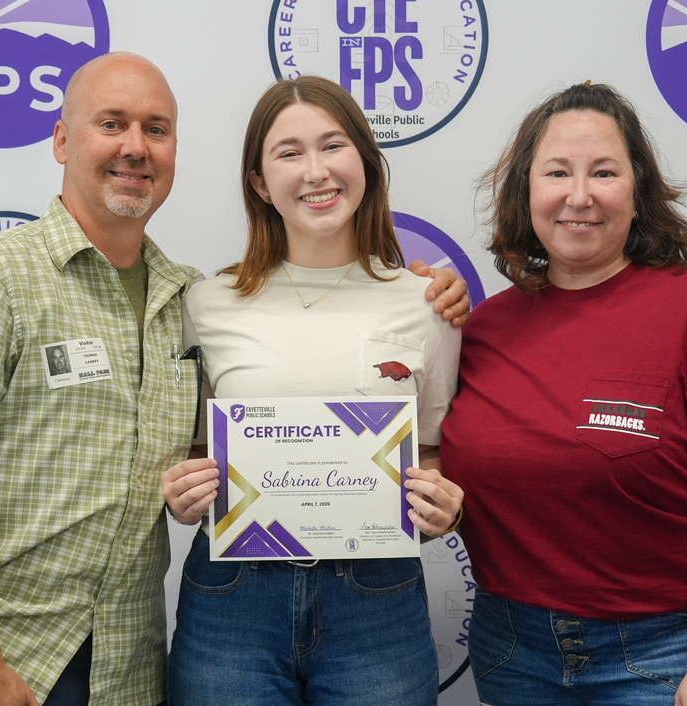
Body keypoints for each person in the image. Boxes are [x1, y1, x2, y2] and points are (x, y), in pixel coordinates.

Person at [0, 53, 470, 706]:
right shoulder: (3, 276)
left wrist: (189, 492)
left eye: (156, 129)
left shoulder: (180, 295)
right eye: (112, 123)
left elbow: (196, 457)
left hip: (129, 659)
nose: (135, 146)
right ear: (61, 139)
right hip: (21, 651)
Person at [439, 82, 687, 706]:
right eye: (556, 172)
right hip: (511, 649)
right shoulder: (483, 329)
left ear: (637, 192)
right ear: (525, 192)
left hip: (669, 653)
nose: (578, 196)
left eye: (603, 172)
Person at [161, 75, 464, 706]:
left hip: (376, 602)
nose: (315, 170)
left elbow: (430, 451)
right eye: (288, 153)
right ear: (259, 183)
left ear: (366, 163)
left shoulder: (428, 302)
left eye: (333, 145)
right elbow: (192, 450)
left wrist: (441, 506)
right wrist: (183, 492)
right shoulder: (205, 302)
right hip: (233, 601)